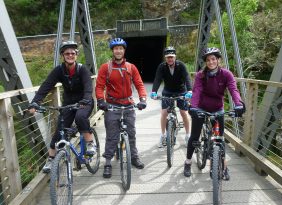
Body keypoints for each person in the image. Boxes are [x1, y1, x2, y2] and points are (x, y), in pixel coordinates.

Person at [28, 40, 95, 173]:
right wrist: (35, 102)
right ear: (63, 55)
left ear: (76, 54)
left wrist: (86, 99)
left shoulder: (82, 70)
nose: (70, 55)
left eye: (73, 53)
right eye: (67, 53)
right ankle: (51, 159)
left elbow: (88, 87)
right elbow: (46, 86)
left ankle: (90, 143)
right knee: (59, 131)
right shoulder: (59, 70)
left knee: (81, 117)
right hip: (68, 103)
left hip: (84, 101)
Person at [183, 47, 245, 179]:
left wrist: (238, 104)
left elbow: (233, 90)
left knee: (219, 139)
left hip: (217, 108)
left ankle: (223, 165)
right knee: (194, 136)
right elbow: (197, 91)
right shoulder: (201, 75)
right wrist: (193, 107)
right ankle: (188, 162)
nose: (210, 62)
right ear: (205, 62)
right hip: (201, 108)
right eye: (208, 60)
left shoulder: (226, 74)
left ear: (218, 60)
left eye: (213, 59)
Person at [95, 37, 147, 178]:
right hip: (112, 104)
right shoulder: (106, 67)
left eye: (121, 48)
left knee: (131, 133)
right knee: (112, 136)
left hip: (128, 104)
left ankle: (134, 157)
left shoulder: (131, 67)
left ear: (124, 51)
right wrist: (101, 100)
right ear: (112, 51)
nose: (118, 51)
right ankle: (107, 162)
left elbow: (139, 84)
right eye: (116, 49)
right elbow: (99, 86)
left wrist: (142, 99)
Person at [150, 46, 192, 148]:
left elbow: (187, 77)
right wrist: (154, 91)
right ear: (165, 58)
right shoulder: (162, 67)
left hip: (181, 91)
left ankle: (187, 135)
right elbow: (158, 79)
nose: (170, 59)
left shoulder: (181, 65)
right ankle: (163, 135)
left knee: (184, 113)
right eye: (168, 57)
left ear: (175, 57)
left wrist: (190, 90)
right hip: (168, 91)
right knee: (164, 113)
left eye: (172, 57)